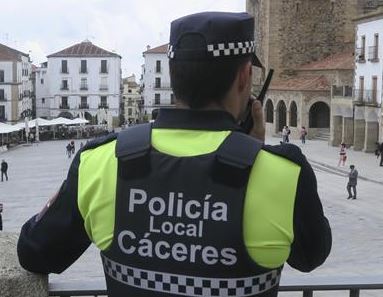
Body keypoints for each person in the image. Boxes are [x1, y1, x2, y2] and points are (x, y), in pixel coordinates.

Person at [17, 12, 331, 297]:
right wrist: (255, 155)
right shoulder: (286, 173)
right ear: (244, 76)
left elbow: (35, 251)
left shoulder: (101, 160)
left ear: (173, 75)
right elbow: (310, 257)